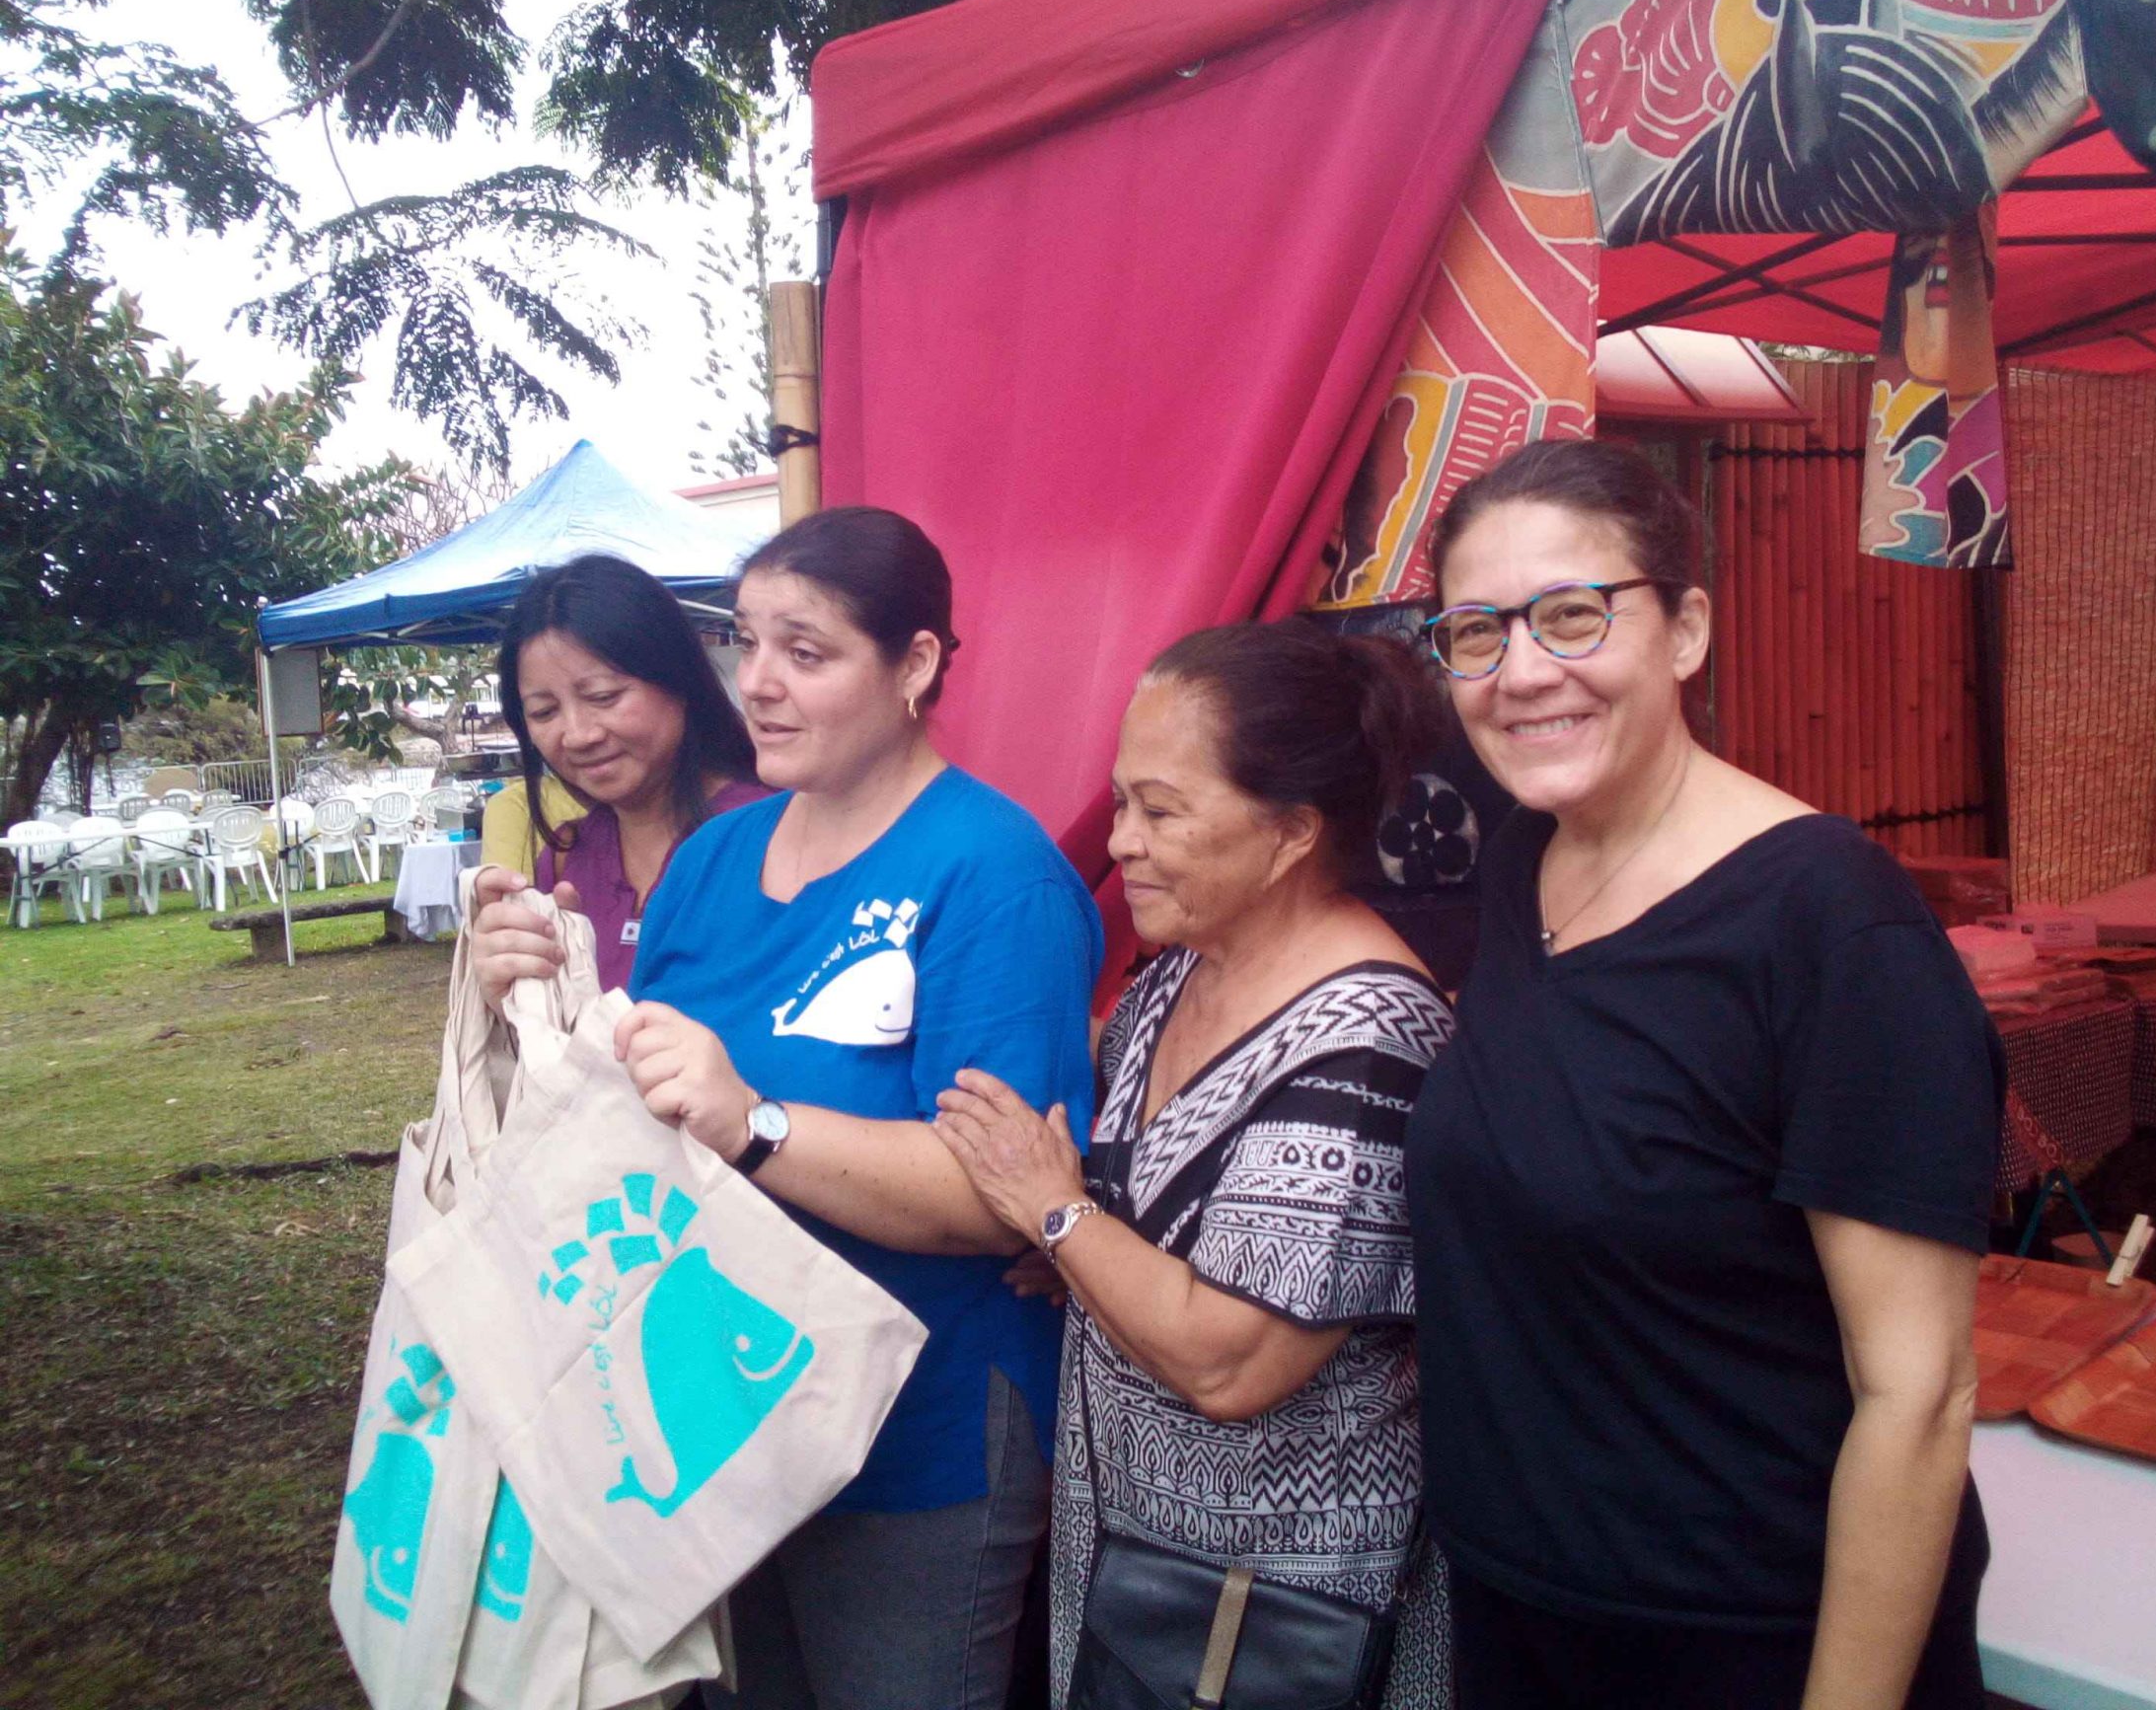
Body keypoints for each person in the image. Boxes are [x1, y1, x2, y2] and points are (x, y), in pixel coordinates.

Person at [1404, 438, 2000, 1710]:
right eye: (1473, 632)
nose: (1520, 674)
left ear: (1684, 630)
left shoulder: (1832, 927)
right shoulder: (1524, 867)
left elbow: (1919, 1391)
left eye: (1572, 616)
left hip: (1742, 1636)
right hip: (1524, 1604)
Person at [608, 506, 1097, 1710]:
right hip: (712, 1408)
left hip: (912, 1432)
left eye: (807, 652)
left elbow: (1005, 1199)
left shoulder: (989, 871)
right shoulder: (714, 860)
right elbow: (636, 1102)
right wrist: (545, 1000)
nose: (758, 685)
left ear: (916, 665)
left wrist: (755, 1123)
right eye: (745, 643)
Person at [931, 620, 1457, 1710]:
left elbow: (1232, 1363)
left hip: (1277, 1611)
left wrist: (1055, 1216)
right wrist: (1085, 1247)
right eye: (1122, 802)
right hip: (1138, 1578)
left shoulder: (1363, 1038)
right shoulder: (1178, 977)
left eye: (1161, 810)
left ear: (1292, 832)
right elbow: (1144, 1225)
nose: (1121, 841)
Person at [469, 553, 762, 993]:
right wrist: (503, 993)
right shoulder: (567, 858)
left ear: (678, 681)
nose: (578, 735)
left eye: (604, 696)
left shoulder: (772, 836)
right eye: (544, 711)